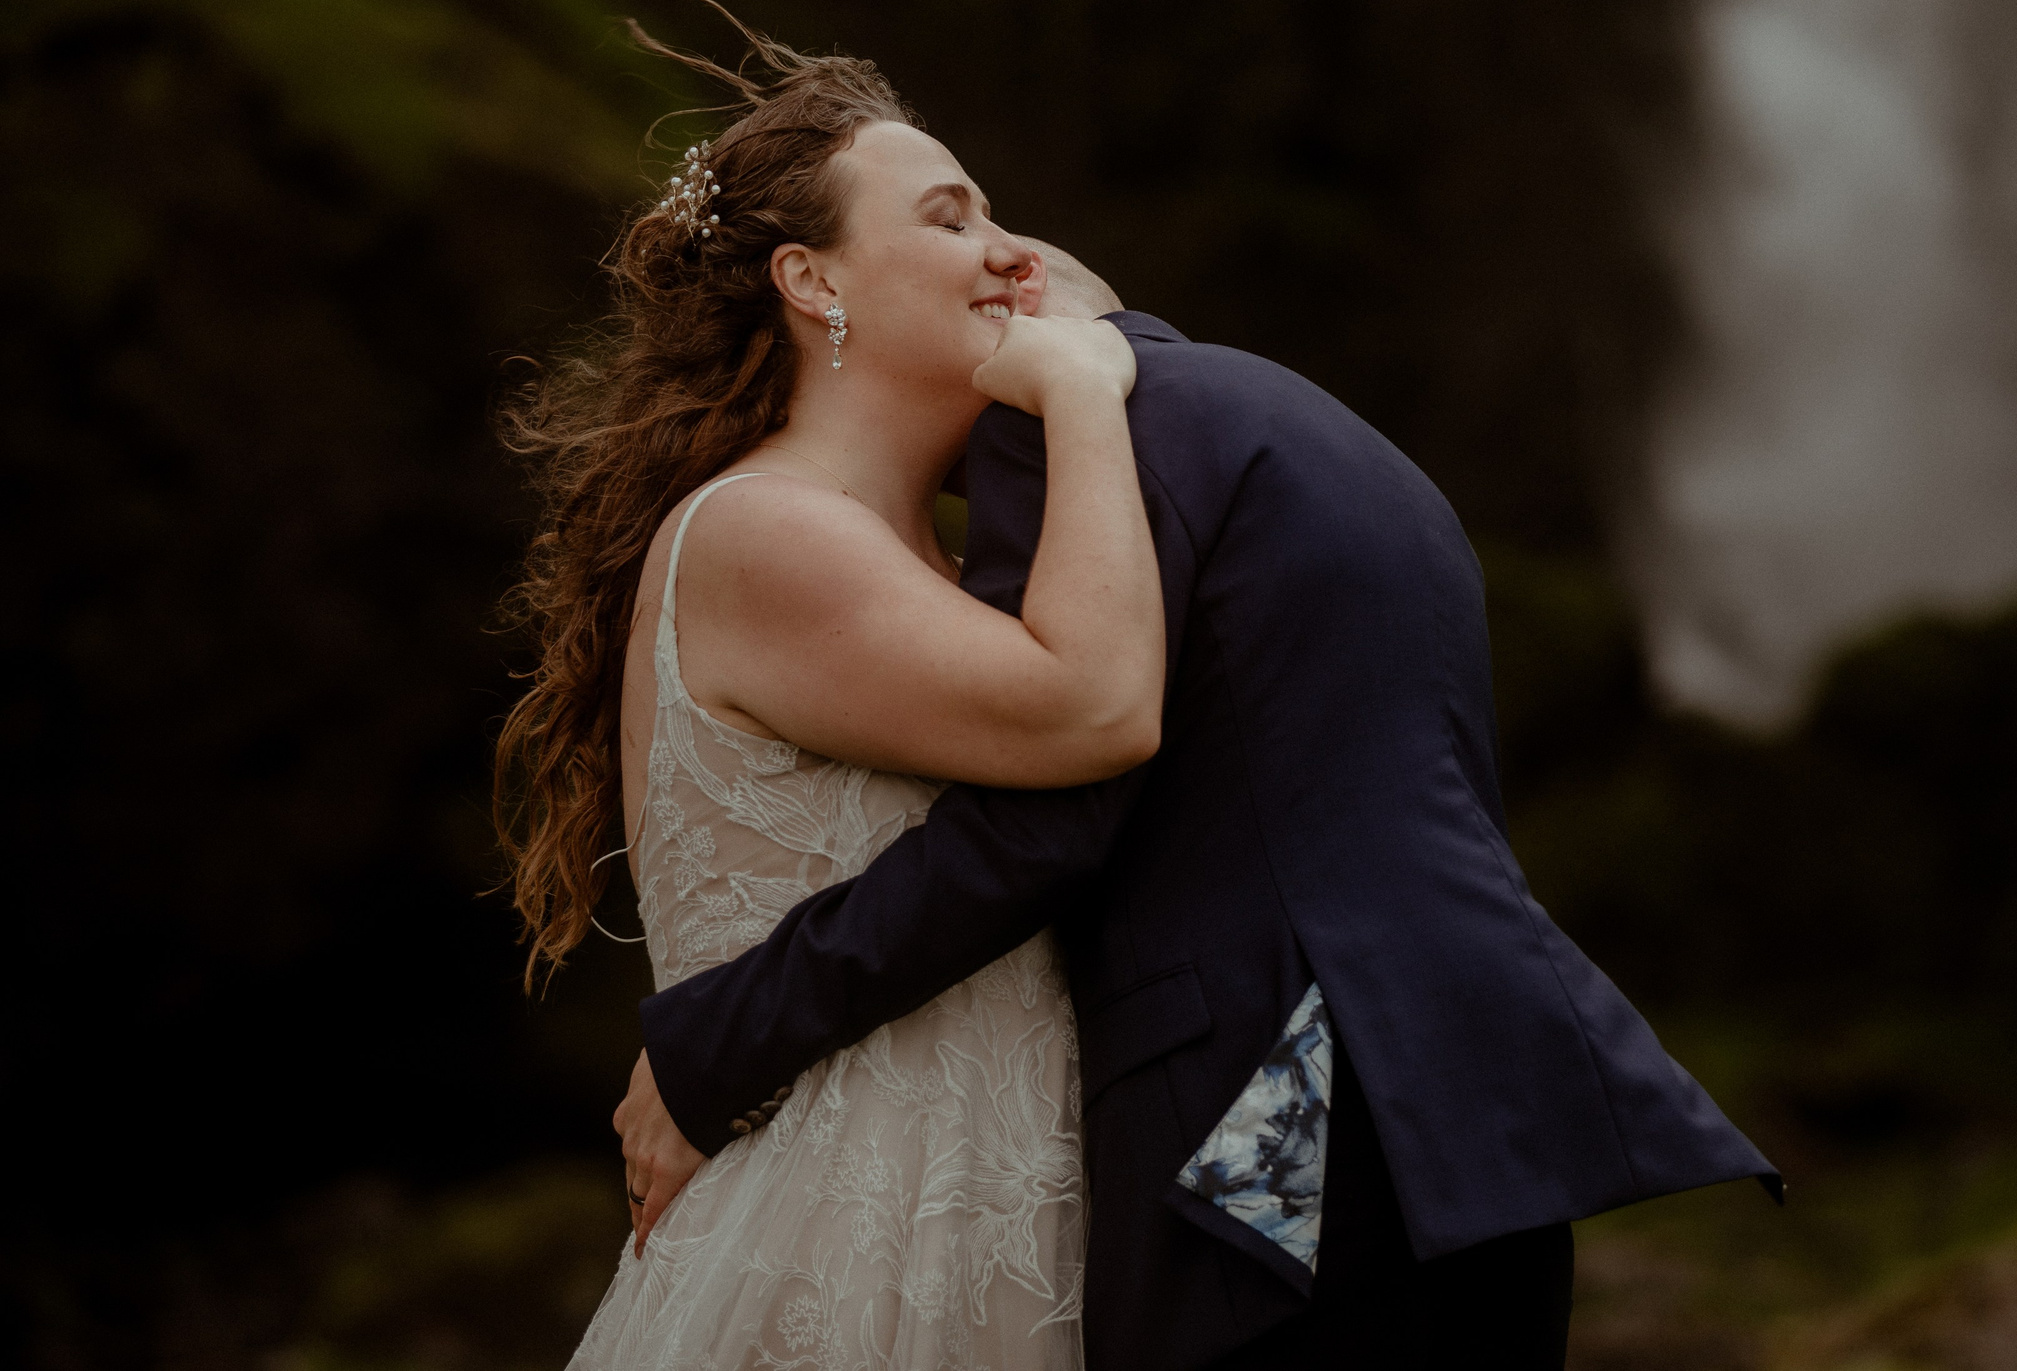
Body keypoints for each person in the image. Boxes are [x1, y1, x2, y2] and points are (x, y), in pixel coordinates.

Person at [612, 251, 1783, 1366]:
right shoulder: (1325, 434)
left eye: (983, 235)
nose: (978, 264)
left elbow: (1047, 815)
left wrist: (716, 1044)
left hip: (1283, 1135)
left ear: (1030, 305)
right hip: (1491, 1111)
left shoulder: (1080, 436)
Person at [494, 13, 1162, 1370]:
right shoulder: (766, 533)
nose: (1007, 254)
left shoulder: (926, 559)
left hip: (988, 1213)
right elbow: (1096, 708)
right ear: (814, 279)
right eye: (948, 215)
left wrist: (1032, 303)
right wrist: (1087, 394)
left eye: (998, 217)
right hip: (850, 1248)